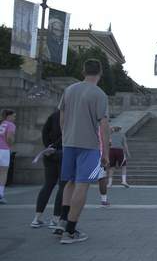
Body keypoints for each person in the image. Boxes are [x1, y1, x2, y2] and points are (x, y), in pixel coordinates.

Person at [56, 59, 110, 244]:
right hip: (88, 145)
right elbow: (103, 125)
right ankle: (70, 231)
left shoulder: (69, 90)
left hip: (69, 142)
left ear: (83, 71)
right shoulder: (100, 94)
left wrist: (66, 135)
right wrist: (106, 153)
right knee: (82, 184)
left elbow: (61, 116)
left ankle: (62, 221)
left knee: (69, 182)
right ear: (100, 73)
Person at [31, 110, 66, 228]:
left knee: (48, 185)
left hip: (49, 153)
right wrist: (56, 146)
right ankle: (55, 219)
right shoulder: (72, 115)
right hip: (64, 153)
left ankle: (37, 218)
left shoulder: (53, 115)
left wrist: (48, 146)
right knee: (63, 186)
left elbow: (44, 131)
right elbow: (68, 133)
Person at [0, 109, 16, 204]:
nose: (14, 118)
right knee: (3, 173)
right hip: (4, 150)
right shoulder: (11, 125)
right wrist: (10, 144)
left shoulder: (1, 123)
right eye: (13, 116)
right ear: (8, 116)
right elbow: (9, 137)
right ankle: (1, 194)